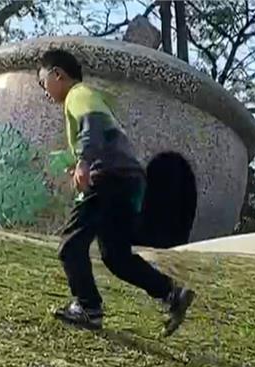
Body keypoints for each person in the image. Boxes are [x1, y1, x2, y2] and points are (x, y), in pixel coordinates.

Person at [37, 49, 194, 334]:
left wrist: (84, 161)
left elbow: (92, 124)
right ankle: (171, 293)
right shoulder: (86, 96)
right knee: (116, 257)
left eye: (42, 82)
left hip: (109, 178)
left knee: (70, 246)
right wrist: (76, 162)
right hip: (128, 179)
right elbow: (102, 134)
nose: (43, 91)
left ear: (57, 74)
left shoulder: (78, 94)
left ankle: (88, 307)